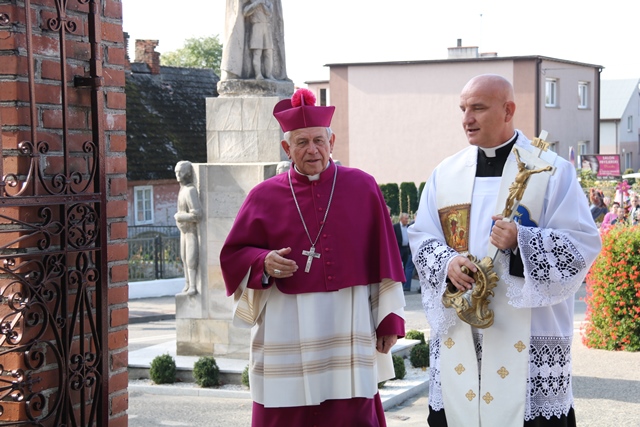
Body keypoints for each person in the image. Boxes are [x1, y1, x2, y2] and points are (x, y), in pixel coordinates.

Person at [408, 74, 601, 427]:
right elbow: (422, 236)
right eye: (463, 109)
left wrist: (522, 241)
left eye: (478, 108)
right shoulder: (445, 173)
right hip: (462, 334)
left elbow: (582, 244)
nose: (467, 118)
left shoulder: (551, 171)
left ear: (508, 110)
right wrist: (448, 263)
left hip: (528, 339)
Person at [220, 88, 406, 427]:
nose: (312, 149)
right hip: (286, 325)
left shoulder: (363, 187)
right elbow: (234, 254)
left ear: (331, 142)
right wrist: (263, 262)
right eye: (302, 142)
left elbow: (387, 257)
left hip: (347, 320)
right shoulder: (263, 195)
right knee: (285, 410)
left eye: (319, 140)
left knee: (350, 408)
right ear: (287, 148)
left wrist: (389, 321)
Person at [174, 161, 203, 296]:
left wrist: (180, 217)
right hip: (183, 231)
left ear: (187, 173)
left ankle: (192, 286)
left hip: (191, 231)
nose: (178, 174)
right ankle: (187, 283)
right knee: (184, 258)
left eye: (180, 171)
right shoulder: (182, 190)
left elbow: (197, 214)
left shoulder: (190, 191)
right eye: (176, 172)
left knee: (191, 258)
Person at [394, 212, 412, 291]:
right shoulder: (396, 227)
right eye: (405, 218)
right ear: (401, 219)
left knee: (406, 265)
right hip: (399, 248)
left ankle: (404, 282)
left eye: (407, 218)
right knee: (398, 265)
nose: (407, 220)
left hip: (406, 249)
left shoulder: (409, 227)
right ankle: (397, 281)